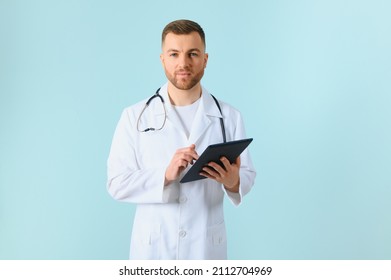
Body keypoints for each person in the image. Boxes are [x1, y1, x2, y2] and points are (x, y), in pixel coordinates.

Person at [107, 19, 256, 260]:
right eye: (174, 54)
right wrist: (164, 176)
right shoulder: (135, 116)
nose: (183, 63)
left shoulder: (229, 117)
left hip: (205, 247)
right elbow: (116, 183)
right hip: (154, 249)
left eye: (192, 54)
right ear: (162, 59)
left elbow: (247, 176)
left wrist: (232, 181)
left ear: (205, 59)